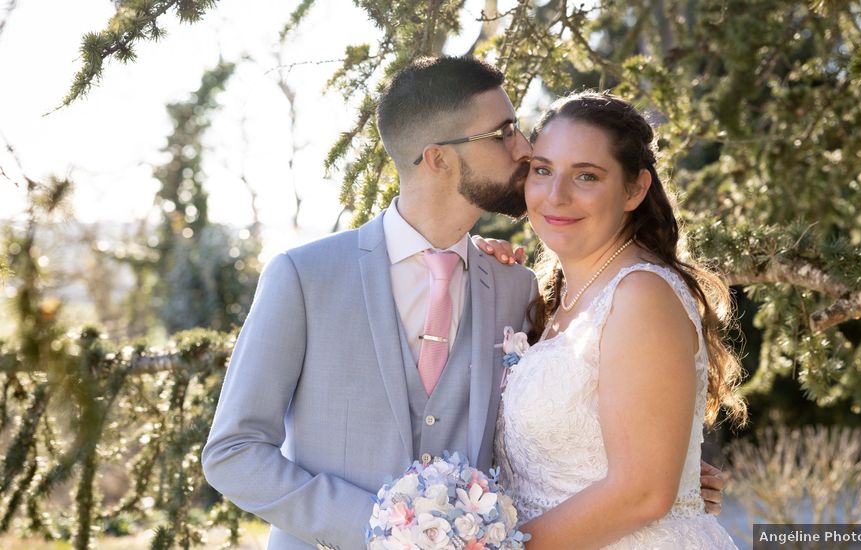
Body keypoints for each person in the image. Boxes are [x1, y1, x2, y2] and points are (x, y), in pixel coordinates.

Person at [202, 57, 724, 549]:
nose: (524, 150)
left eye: (518, 130)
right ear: (439, 158)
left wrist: (667, 477)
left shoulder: (515, 288)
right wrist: (392, 533)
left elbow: (595, 448)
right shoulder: (304, 277)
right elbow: (233, 452)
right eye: (502, 135)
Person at [481, 92, 746, 548]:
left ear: (635, 189)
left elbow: (643, 493)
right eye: (543, 170)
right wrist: (478, 269)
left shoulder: (640, 294)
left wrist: (500, 547)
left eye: (586, 176)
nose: (555, 195)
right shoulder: (556, 298)